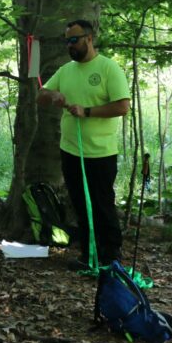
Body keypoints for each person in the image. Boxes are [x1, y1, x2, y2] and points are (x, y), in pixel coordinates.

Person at [37, 19, 130, 269]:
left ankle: (111, 256)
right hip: (71, 151)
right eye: (66, 41)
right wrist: (52, 95)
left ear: (89, 39)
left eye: (74, 40)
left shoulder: (109, 69)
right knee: (79, 203)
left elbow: (122, 106)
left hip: (100, 153)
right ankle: (89, 255)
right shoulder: (66, 70)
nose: (70, 46)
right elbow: (41, 95)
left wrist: (87, 112)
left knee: (102, 204)